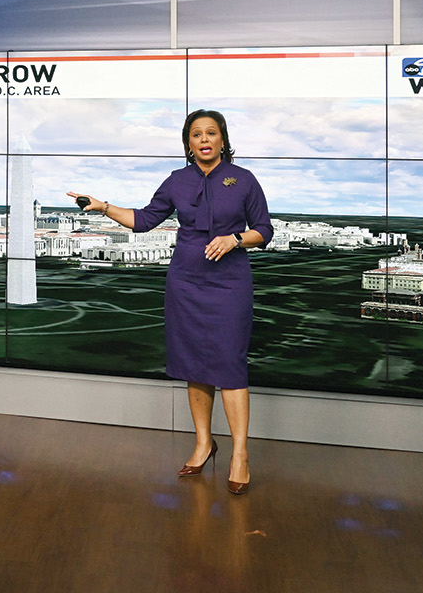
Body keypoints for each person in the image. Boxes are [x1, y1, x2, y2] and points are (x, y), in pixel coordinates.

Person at [68, 108, 271, 495]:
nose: (205, 140)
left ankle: (240, 454)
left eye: (212, 133)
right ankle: (203, 443)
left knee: (229, 364)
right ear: (188, 144)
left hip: (229, 283)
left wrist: (235, 239)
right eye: (197, 135)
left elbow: (265, 230)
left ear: (224, 140)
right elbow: (144, 220)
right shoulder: (177, 181)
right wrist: (104, 207)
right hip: (186, 283)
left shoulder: (243, 180)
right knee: (195, 363)